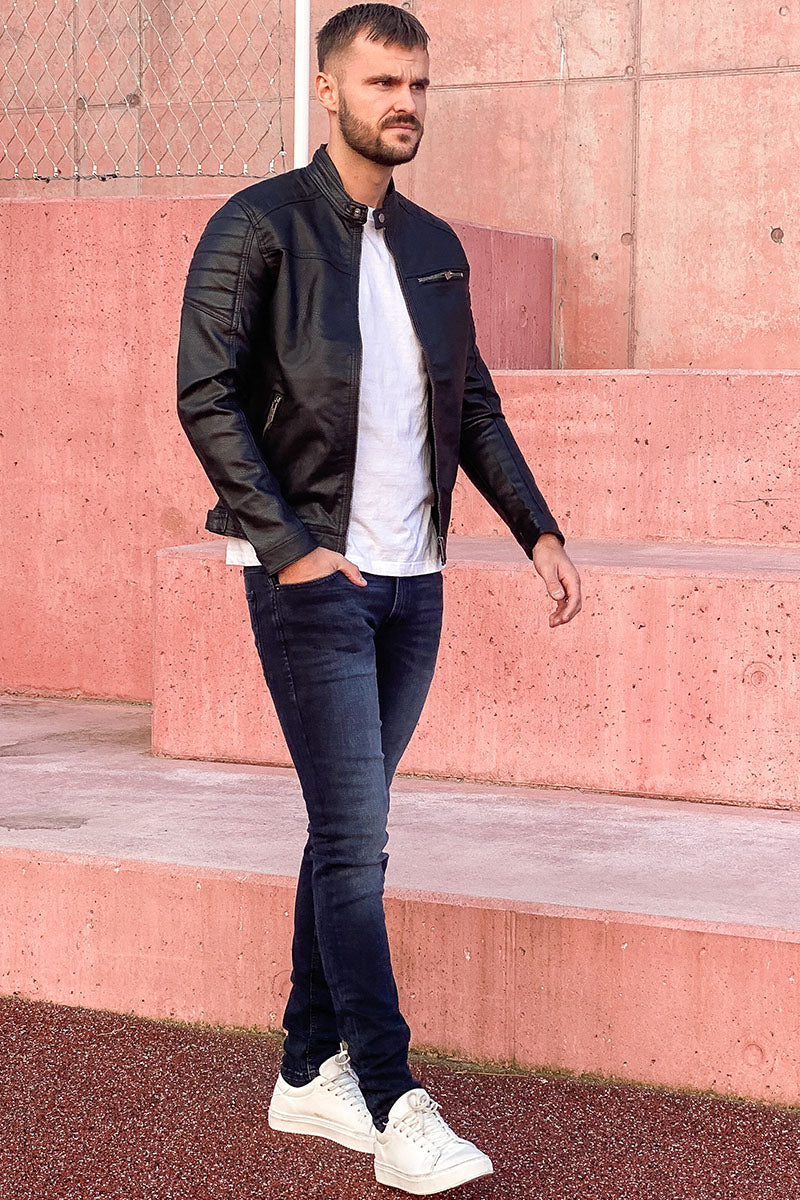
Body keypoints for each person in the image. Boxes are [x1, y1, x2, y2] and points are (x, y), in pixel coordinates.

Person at [176, 4, 582, 1192]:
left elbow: (472, 406)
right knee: (356, 842)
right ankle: (394, 1097)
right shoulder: (257, 225)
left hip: (415, 586)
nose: (402, 103)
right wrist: (290, 547)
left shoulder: (433, 246)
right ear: (327, 90)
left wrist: (536, 528)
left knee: (342, 829)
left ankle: (307, 1071)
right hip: (314, 582)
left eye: (416, 85)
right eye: (380, 82)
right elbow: (205, 393)